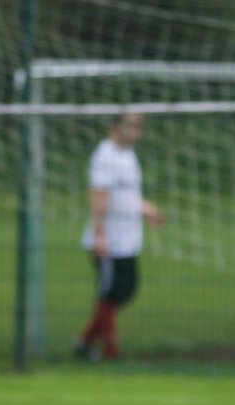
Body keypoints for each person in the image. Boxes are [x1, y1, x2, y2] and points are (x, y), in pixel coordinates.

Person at [75, 112, 165, 361]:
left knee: (124, 290)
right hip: (110, 241)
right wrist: (100, 235)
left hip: (128, 240)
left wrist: (149, 211)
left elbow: (128, 196)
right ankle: (108, 348)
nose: (137, 131)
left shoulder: (127, 155)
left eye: (139, 126)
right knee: (110, 293)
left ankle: (85, 340)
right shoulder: (105, 155)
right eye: (132, 126)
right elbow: (99, 195)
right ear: (116, 127)